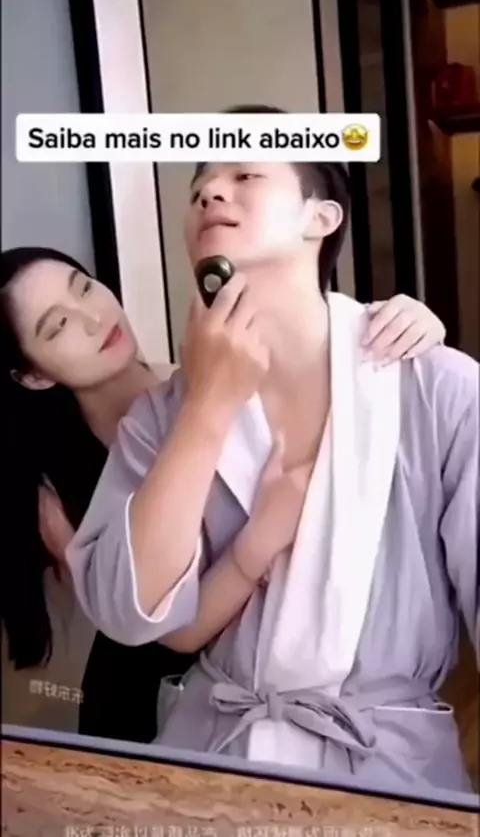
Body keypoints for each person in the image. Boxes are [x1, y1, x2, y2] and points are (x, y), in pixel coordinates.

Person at [66, 105, 478, 791]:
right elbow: (128, 611)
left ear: (321, 217)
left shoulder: (438, 388)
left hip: (387, 768)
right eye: (199, 186)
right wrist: (207, 406)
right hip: (211, 761)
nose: (209, 192)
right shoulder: (160, 417)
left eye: (245, 174)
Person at [0, 243, 445, 740]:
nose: (92, 317)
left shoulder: (215, 380)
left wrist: (407, 336)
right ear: (33, 376)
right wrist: (258, 542)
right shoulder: (57, 495)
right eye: (58, 325)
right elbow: (169, 634)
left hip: (290, 685)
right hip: (160, 708)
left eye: (83, 287)